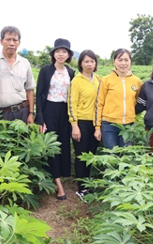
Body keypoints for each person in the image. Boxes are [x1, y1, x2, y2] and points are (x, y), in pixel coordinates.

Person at [36, 38, 75, 200]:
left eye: (64, 51)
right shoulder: (45, 70)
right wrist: (40, 119)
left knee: (63, 145)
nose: (61, 54)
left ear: (68, 55)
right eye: (58, 51)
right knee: (51, 145)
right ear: (54, 54)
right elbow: (39, 95)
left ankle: (60, 175)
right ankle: (58, 185)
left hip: (65, 112)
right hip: (49, 110)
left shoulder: (71, 72)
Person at [0, 26, 35, 123]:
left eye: (15, 40)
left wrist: (31, 113)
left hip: (22, 112)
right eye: (8, 40)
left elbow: (30, 90)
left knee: (21, 138)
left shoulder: (25, 63)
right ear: (1, 41)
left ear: (19, 43)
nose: (12, 43)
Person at [68, 49, 101, 200]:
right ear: (80, 63)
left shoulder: (99, 80)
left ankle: (88, 185)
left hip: (95, 123)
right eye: (86, 61)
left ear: (95, 63)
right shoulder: (76, 81)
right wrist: (74, 125)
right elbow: (71, 104)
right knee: (81, 156)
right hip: (80, 122)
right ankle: (81, 189)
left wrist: (98, 126)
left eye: (92, 61)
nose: (89, 64)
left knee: (91, 155)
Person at [94, 48, 142, 149]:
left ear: (130, 61)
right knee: (111, 156)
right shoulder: (106, 80)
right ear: (114, 62)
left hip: (129, 125)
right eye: (120, 60)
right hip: (109, 125)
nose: (123, 63)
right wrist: (97, 127)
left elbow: (138, 102)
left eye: (126, 60)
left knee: (126, 157)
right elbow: (99, 104)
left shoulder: (137, 81)